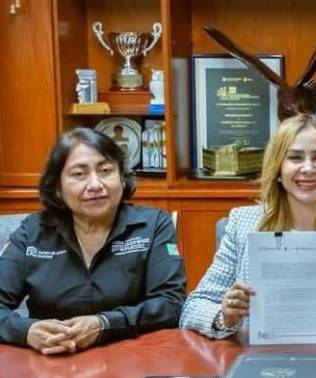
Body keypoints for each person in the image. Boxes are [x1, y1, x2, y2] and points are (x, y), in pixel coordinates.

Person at [180, 114, 316, 338]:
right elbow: (193, 308)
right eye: (295, 158)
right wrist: (225, 317)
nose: (308, 168)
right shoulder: (243, 223)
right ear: (278, 169)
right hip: (263, 355)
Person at [0, 128, 185, 354]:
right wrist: (27, 331)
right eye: (79, 174)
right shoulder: (33, 231)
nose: (95, 184)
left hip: (133, 357)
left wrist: (105, 323)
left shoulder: (153, 225)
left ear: (122, 178)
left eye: (106, 170)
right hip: (51, 360)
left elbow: (171, 304)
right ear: (57, 188)